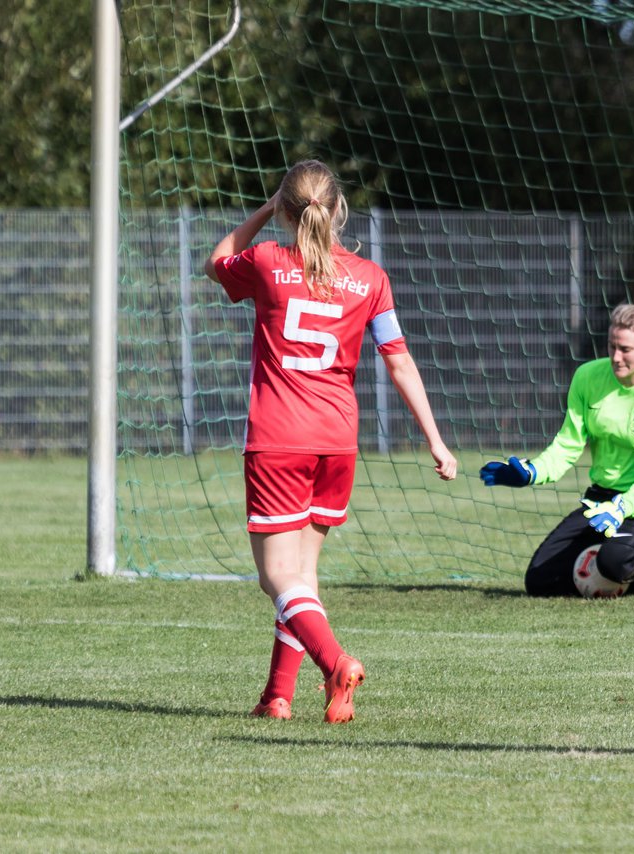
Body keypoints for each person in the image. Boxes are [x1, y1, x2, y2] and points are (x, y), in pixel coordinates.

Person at [204, 160, 457, 724]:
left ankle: (334, 661)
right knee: (303, 578)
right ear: (338, 208)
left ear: (288, 210)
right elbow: (400, 362)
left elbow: (216, 261)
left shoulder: (269, 261)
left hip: (278, 438)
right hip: (337, 442)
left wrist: (265, 210)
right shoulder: (370, 278)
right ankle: (276, 697)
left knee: (276, 578)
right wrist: (436, 441)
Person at [480, 289, 634, 597]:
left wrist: (623, 507)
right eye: (611, 346)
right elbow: (568, 444)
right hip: (600, 501)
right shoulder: (587, 377)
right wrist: (532, 471)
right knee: (540, 581)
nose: (615, 357)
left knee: (615, 561)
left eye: (625, 349)